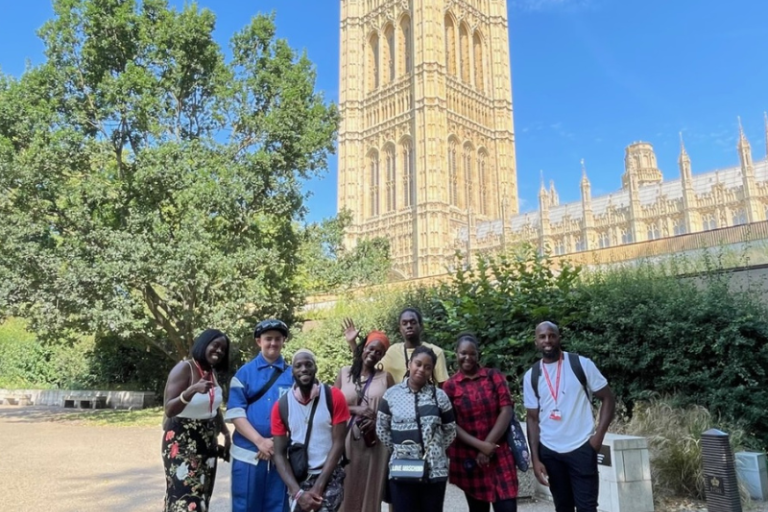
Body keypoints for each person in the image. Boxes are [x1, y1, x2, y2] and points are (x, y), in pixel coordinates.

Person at [524, 321, 616, 512]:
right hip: (550, 451)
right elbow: (532, 419)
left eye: (552, 335)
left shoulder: (581, 364)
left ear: (559, 338)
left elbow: (608, 398)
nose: (547, 340)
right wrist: (536, 458)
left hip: (581, 447)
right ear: (536, 342)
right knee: (562, 507)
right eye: (542, 337)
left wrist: (597, 438)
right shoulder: (531, 375)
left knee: (587, 508)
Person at [226, 319, 296, 512]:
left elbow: (301, 414)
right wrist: (260, 442)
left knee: (279, 506)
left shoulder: (293, 375)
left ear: (283, 341)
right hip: (248, 453)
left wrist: (277, 442)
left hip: (280, 455)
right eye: (268, 339)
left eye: (277, 339)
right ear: (259, 341)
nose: (273, 343)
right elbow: (236, 413)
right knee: (245, 506)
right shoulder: (244, 374)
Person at [376, 345, 457, 512]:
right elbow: (382, 428)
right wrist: (401, 449)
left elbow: (450, 430)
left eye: (427, 367)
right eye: (418, 364)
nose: (421, 370)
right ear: (409, 365)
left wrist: (435, 449)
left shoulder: (439, 397)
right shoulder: (391, 395)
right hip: (402, 469)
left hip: (434, 472)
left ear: (432, 371)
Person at [443, 333, 518, 512]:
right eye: (463, 353)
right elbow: (451, 424)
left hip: (500, 454)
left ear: (478, 355)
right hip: (470, 458)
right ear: (456, 354)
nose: (467, 357)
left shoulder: (494, 377)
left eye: (472, 353)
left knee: (507, 506)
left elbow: (506, 410)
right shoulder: (450, 386)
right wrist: (480, 446)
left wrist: (488, 445)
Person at [161, 328, 231, 512]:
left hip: (207, 441)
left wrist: (225, 433)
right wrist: (191, 391)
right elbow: (169, 409)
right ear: (203, 344)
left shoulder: (212, 372)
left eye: (223, 349)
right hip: (182, 440)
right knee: (184, 500)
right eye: (215, 346)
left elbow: (213, 408)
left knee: (201, 497)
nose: (219, 351)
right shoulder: (185, 368)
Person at [272, 349, 350, 512]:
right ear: (292, 371)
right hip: (299, 479)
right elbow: (279, 453)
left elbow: (338, 443)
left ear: (315, 368)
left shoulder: (334, 396)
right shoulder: (282, 406)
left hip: (329, 476)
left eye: (308, 364)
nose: (304, 369)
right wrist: (297, 493)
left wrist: (318, 487)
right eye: (298, 366)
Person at [334, 329, 395, 512]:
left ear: (382, 356)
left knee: (371, 489)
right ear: (363, 348)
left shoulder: (386, 378)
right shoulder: (344, 373)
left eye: (379, 352)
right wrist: (354, 409)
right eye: (371, 348)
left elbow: (394, 410)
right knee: (346, 487)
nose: (373, 354)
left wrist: (378, 421)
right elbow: (331, 405)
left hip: (375, 442)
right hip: (345, 441)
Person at [344, 307, 449, 385]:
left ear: (420, 326)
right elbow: (365, 366)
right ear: (400, 329)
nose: (409, 326)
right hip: (399, 409)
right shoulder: (392, 351)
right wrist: (352, 342)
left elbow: (443, 386)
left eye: (413, 322)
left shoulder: (435, 352)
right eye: (404, 323)